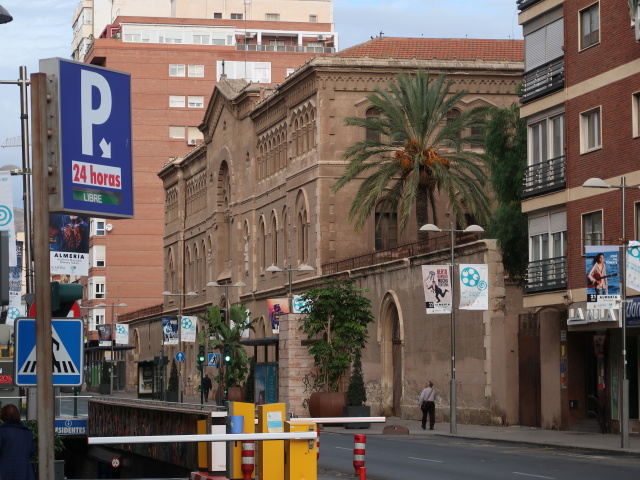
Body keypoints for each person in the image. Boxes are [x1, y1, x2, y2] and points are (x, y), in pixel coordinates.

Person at [0, 404, 36, 480]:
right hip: (25, 473)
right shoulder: (27, 432)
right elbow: (32, 451)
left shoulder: (2, 431)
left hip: (5, 472)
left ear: (3, 415)